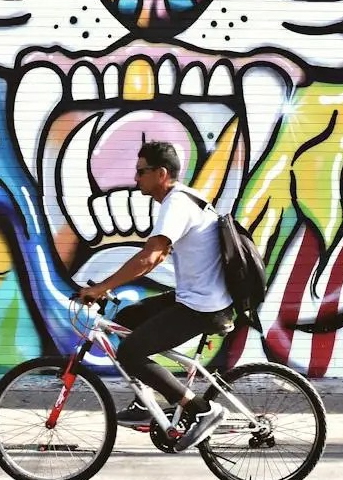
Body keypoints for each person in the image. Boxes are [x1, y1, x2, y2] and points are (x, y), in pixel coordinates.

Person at [72, 139, 231, 452]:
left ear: (160, 174)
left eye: (141, 172)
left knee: (130, 353)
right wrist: (110, 285)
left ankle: (202, 409)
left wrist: (102, 287)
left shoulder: (177, 203)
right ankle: (145, 404)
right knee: (128, 318)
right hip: (196, 296)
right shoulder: (183, 200)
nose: (135, 178)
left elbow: (150, 257)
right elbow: (154, 258)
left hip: (202, 305)